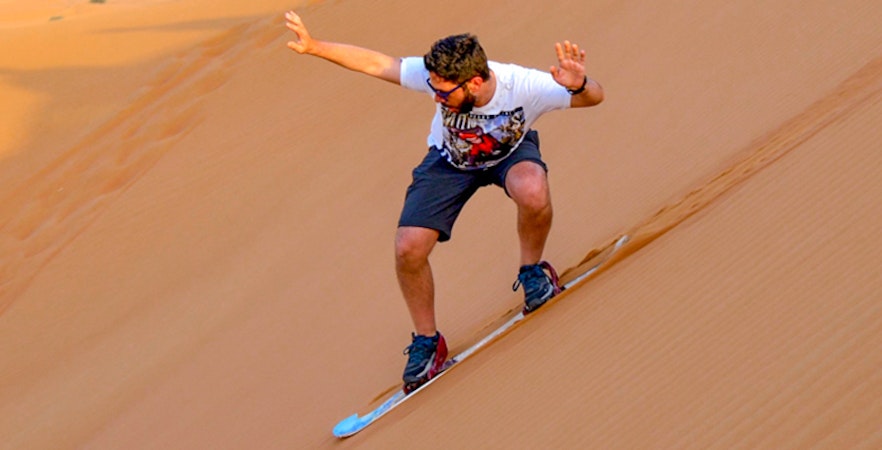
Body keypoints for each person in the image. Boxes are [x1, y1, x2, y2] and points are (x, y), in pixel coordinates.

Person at [284, 11, 604, 393]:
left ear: (475, 81)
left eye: (443, 92)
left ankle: (534, 271)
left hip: (509, 154)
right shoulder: (437, 76)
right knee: (408, 247)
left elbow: (593, 99)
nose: (435, 96)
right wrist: (315, 47)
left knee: (532, 190)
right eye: (432, 87)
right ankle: (428, 342)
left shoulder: (526, 86)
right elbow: (377, 63)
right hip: (449, 162)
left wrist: (580, 84)